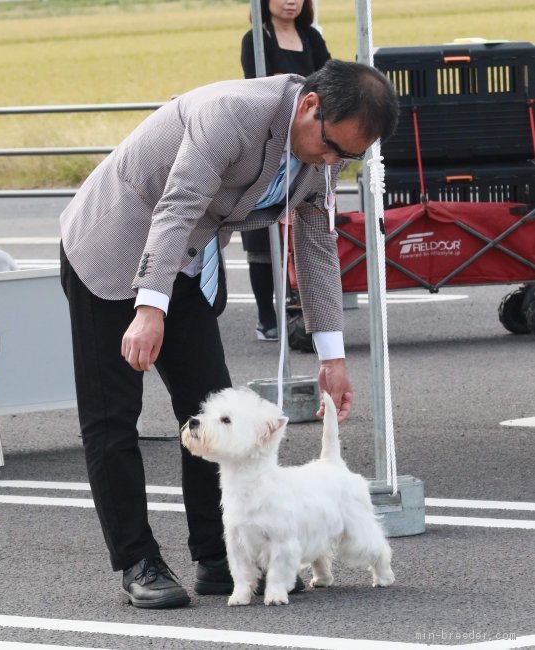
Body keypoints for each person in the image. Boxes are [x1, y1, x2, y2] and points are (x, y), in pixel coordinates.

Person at [59, 59, 398, 609]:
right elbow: (178, 206)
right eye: (334, 146)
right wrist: (149, 309)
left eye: (349, 156)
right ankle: (138, 561)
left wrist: (331, 355)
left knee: (209, 405)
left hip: (188, 257)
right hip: (114, 242)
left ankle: (218, 557)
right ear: (310, 106)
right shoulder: (232, 115)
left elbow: (315, 243)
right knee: (111, 416)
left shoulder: (323, 151)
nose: (334, 161)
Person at [240, 0, 331, 341]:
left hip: (307, 141)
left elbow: (328, 82)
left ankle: (310, 314)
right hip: (269, 139)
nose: (291, 1)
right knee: (261, 230)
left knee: (309, 226)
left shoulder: (311, 37)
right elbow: (259, 87)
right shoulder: (256, 39)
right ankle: (267, 317)